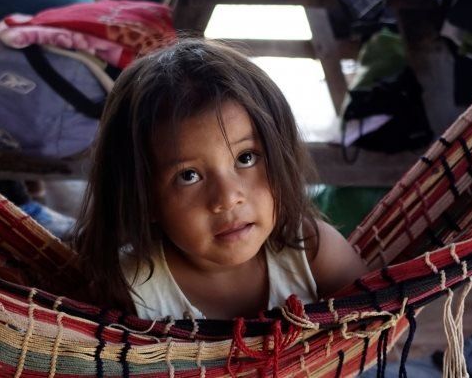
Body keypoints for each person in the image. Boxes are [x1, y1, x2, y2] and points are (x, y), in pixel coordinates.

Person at [73, 38, 368, 319]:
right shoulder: (127, 289)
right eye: (188, 176)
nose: (227, 198)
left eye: (246, 158)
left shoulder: (313, 253)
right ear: (144, 198)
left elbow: (375, 327)